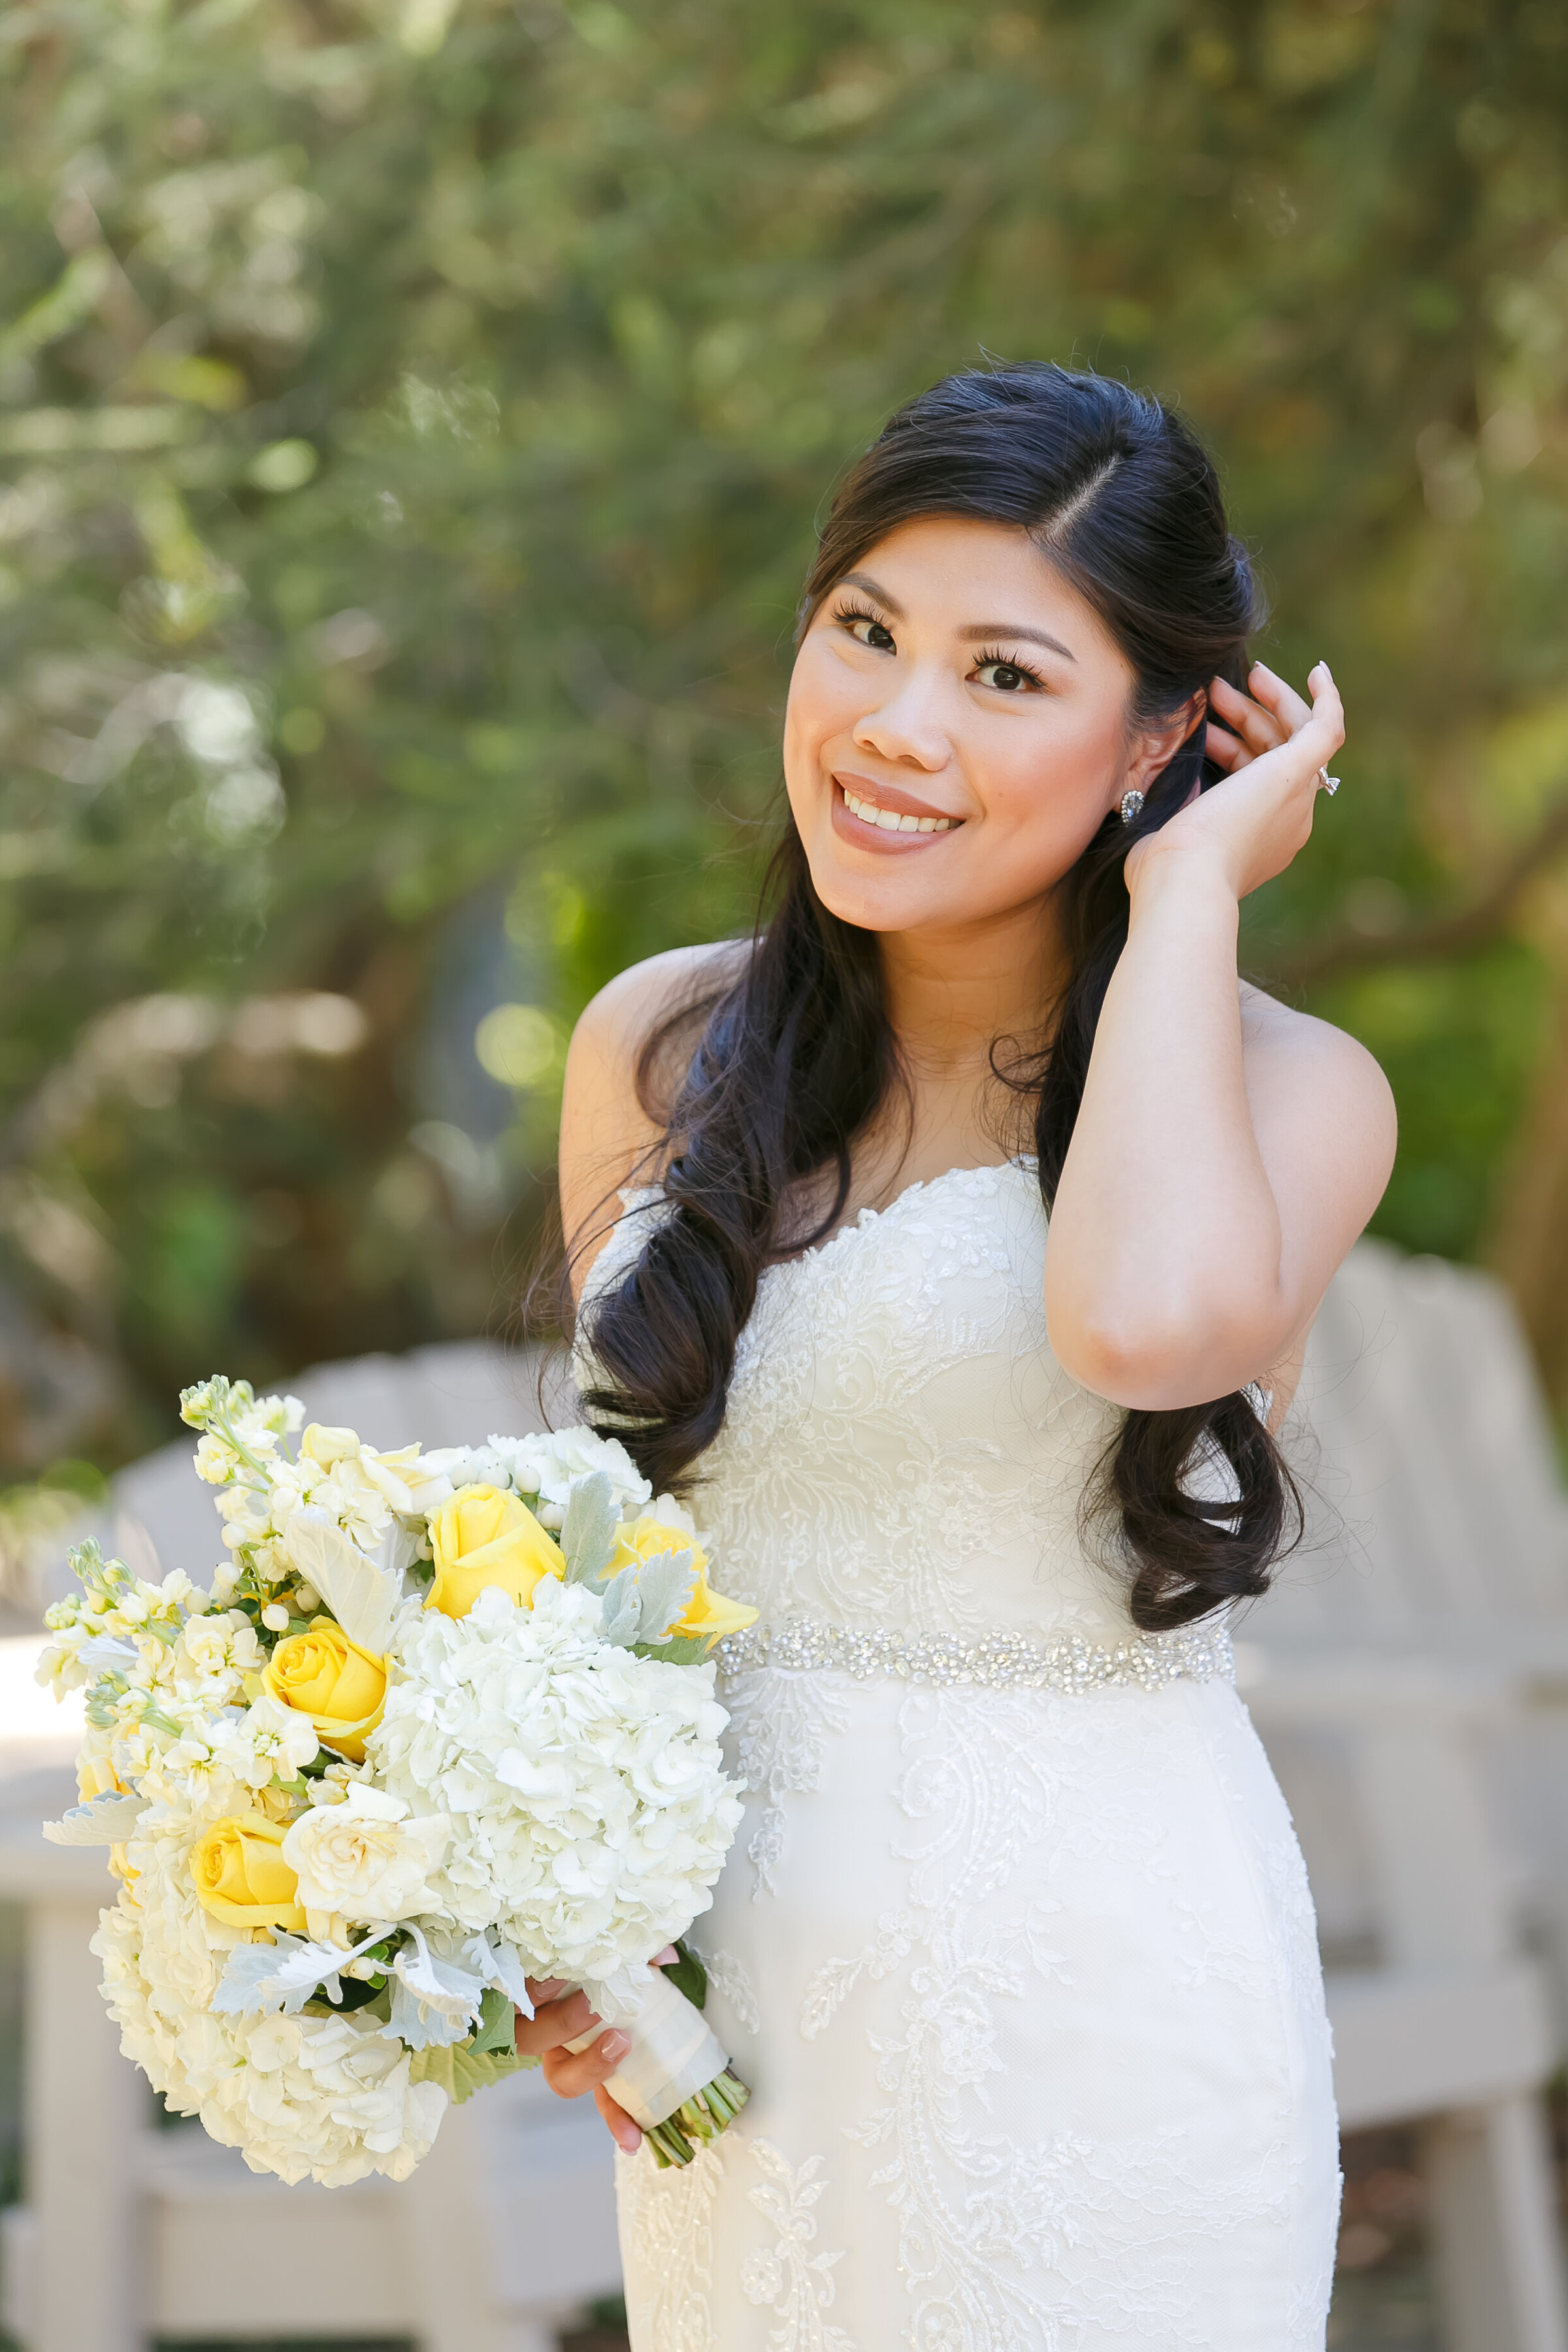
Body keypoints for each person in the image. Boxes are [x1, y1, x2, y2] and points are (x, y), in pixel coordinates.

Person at [521, 363, 1396, 2350]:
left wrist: (1182, 897)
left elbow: (1145, 1324)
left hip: (1103, 2014)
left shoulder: (1298, 1094)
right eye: (867, 631)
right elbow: (621, 1589)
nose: (898, 729)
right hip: (748, 2060)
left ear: (1166, 732)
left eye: (1008, 677)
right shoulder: (659, 1051)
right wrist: (581, 1919)